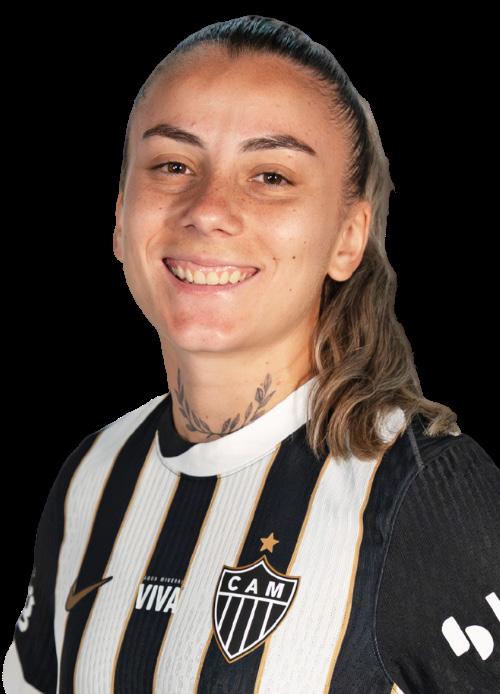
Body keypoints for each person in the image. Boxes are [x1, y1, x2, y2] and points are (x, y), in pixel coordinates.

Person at [3, 15, 499, 694]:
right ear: (119, 218)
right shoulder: (91, 475)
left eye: (270, 175)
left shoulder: (423, 491)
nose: (208, 208)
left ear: (348, 238)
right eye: (173, 165)